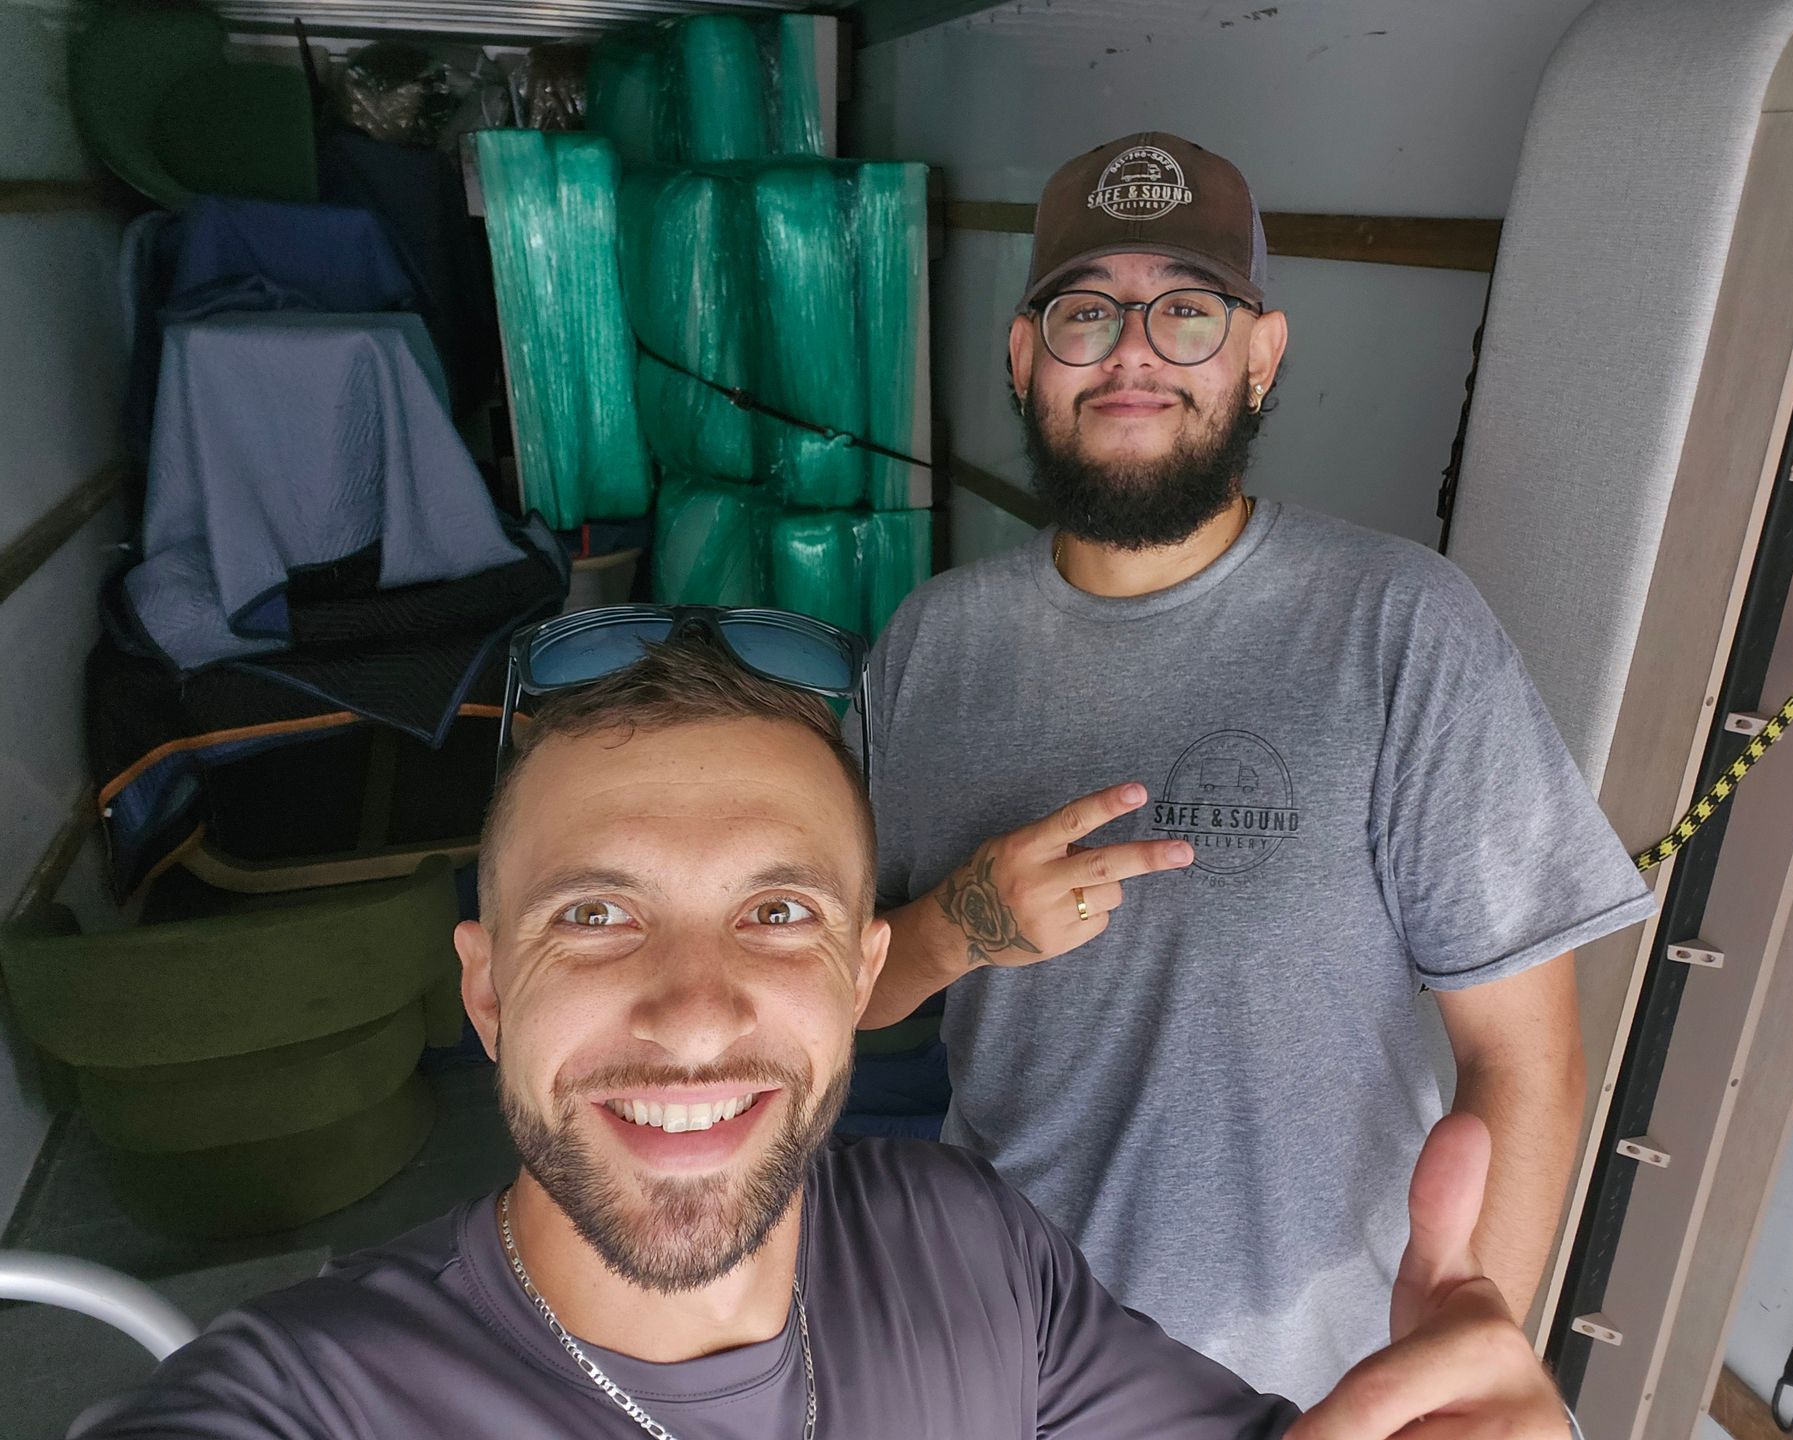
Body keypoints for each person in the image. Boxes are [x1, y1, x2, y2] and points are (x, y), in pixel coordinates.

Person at [76, 634, 1572, 1439]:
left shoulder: (971, 1251)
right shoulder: (315, 1396)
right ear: (483, 989)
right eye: (595, 917)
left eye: (777, 913)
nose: (694, 1005)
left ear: (864, 973)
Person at [856, 132, 1658, 1402]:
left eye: (1188, 311)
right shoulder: (929, 647)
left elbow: (1527, 1059)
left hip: (1307, 1385)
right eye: (1085, 311)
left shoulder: (1403, 629)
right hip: (993, 1355)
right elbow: (854, 987)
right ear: (1023, 359)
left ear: (1260, 358)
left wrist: (1457, 1374)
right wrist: (963, 926)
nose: (1133, 350)